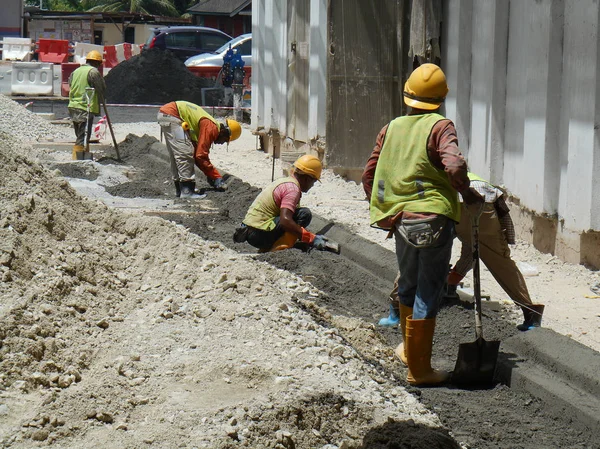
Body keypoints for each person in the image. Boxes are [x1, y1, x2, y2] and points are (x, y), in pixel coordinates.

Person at [362, 63, 483, 386]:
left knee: (409, 285)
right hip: (433, 218)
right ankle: (420, 370)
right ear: (441, 98)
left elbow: (368, 175)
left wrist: (385, 205)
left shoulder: (391, 128)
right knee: (430, 290)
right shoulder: (440, 126)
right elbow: (454, 166)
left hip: (401, 220)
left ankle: (408, 351)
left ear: (407, 94)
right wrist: (468, 193)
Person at [378, 173, 545, 333]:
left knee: (418, 251)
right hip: (483, 199)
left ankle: (396, 310)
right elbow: (472, 250)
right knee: (500, 262)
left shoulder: (428, 176)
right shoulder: (468, 175)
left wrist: (450, 279)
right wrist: (455, 276)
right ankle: (530, 313)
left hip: (446, 201)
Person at [233, 155, 328, 252]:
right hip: (258, 234)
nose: (312, 185)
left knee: (294, 215)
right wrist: (310, 238)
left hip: (252, 230)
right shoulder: (292, 189)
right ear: (308, 178)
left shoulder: (285, 182)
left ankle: (267, 248)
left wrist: (305, 234)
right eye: (314, 181)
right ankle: (280, 249)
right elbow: (285, 221)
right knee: (304, 214)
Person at [157, 101, 242, 198]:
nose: (222, 143)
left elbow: (198, 155)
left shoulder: (207, 126)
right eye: (225, 140)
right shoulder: (211, 128)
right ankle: (187, 191)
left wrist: (209, 174)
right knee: (185, 153)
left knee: (177, 153)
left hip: (167, 115)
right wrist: (216, 176)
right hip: (173, 115)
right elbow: (201, 155)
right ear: (224, 132)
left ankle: (180, 189)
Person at [68, 50, 106, 160]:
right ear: (97, 63)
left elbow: (71, 84)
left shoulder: (76, 71)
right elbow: (101, 88)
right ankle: (77, 160)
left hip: (73, 105)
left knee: (80, 134)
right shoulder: (93, 72)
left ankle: (84, 153)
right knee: (83, 135)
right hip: (85, 107)